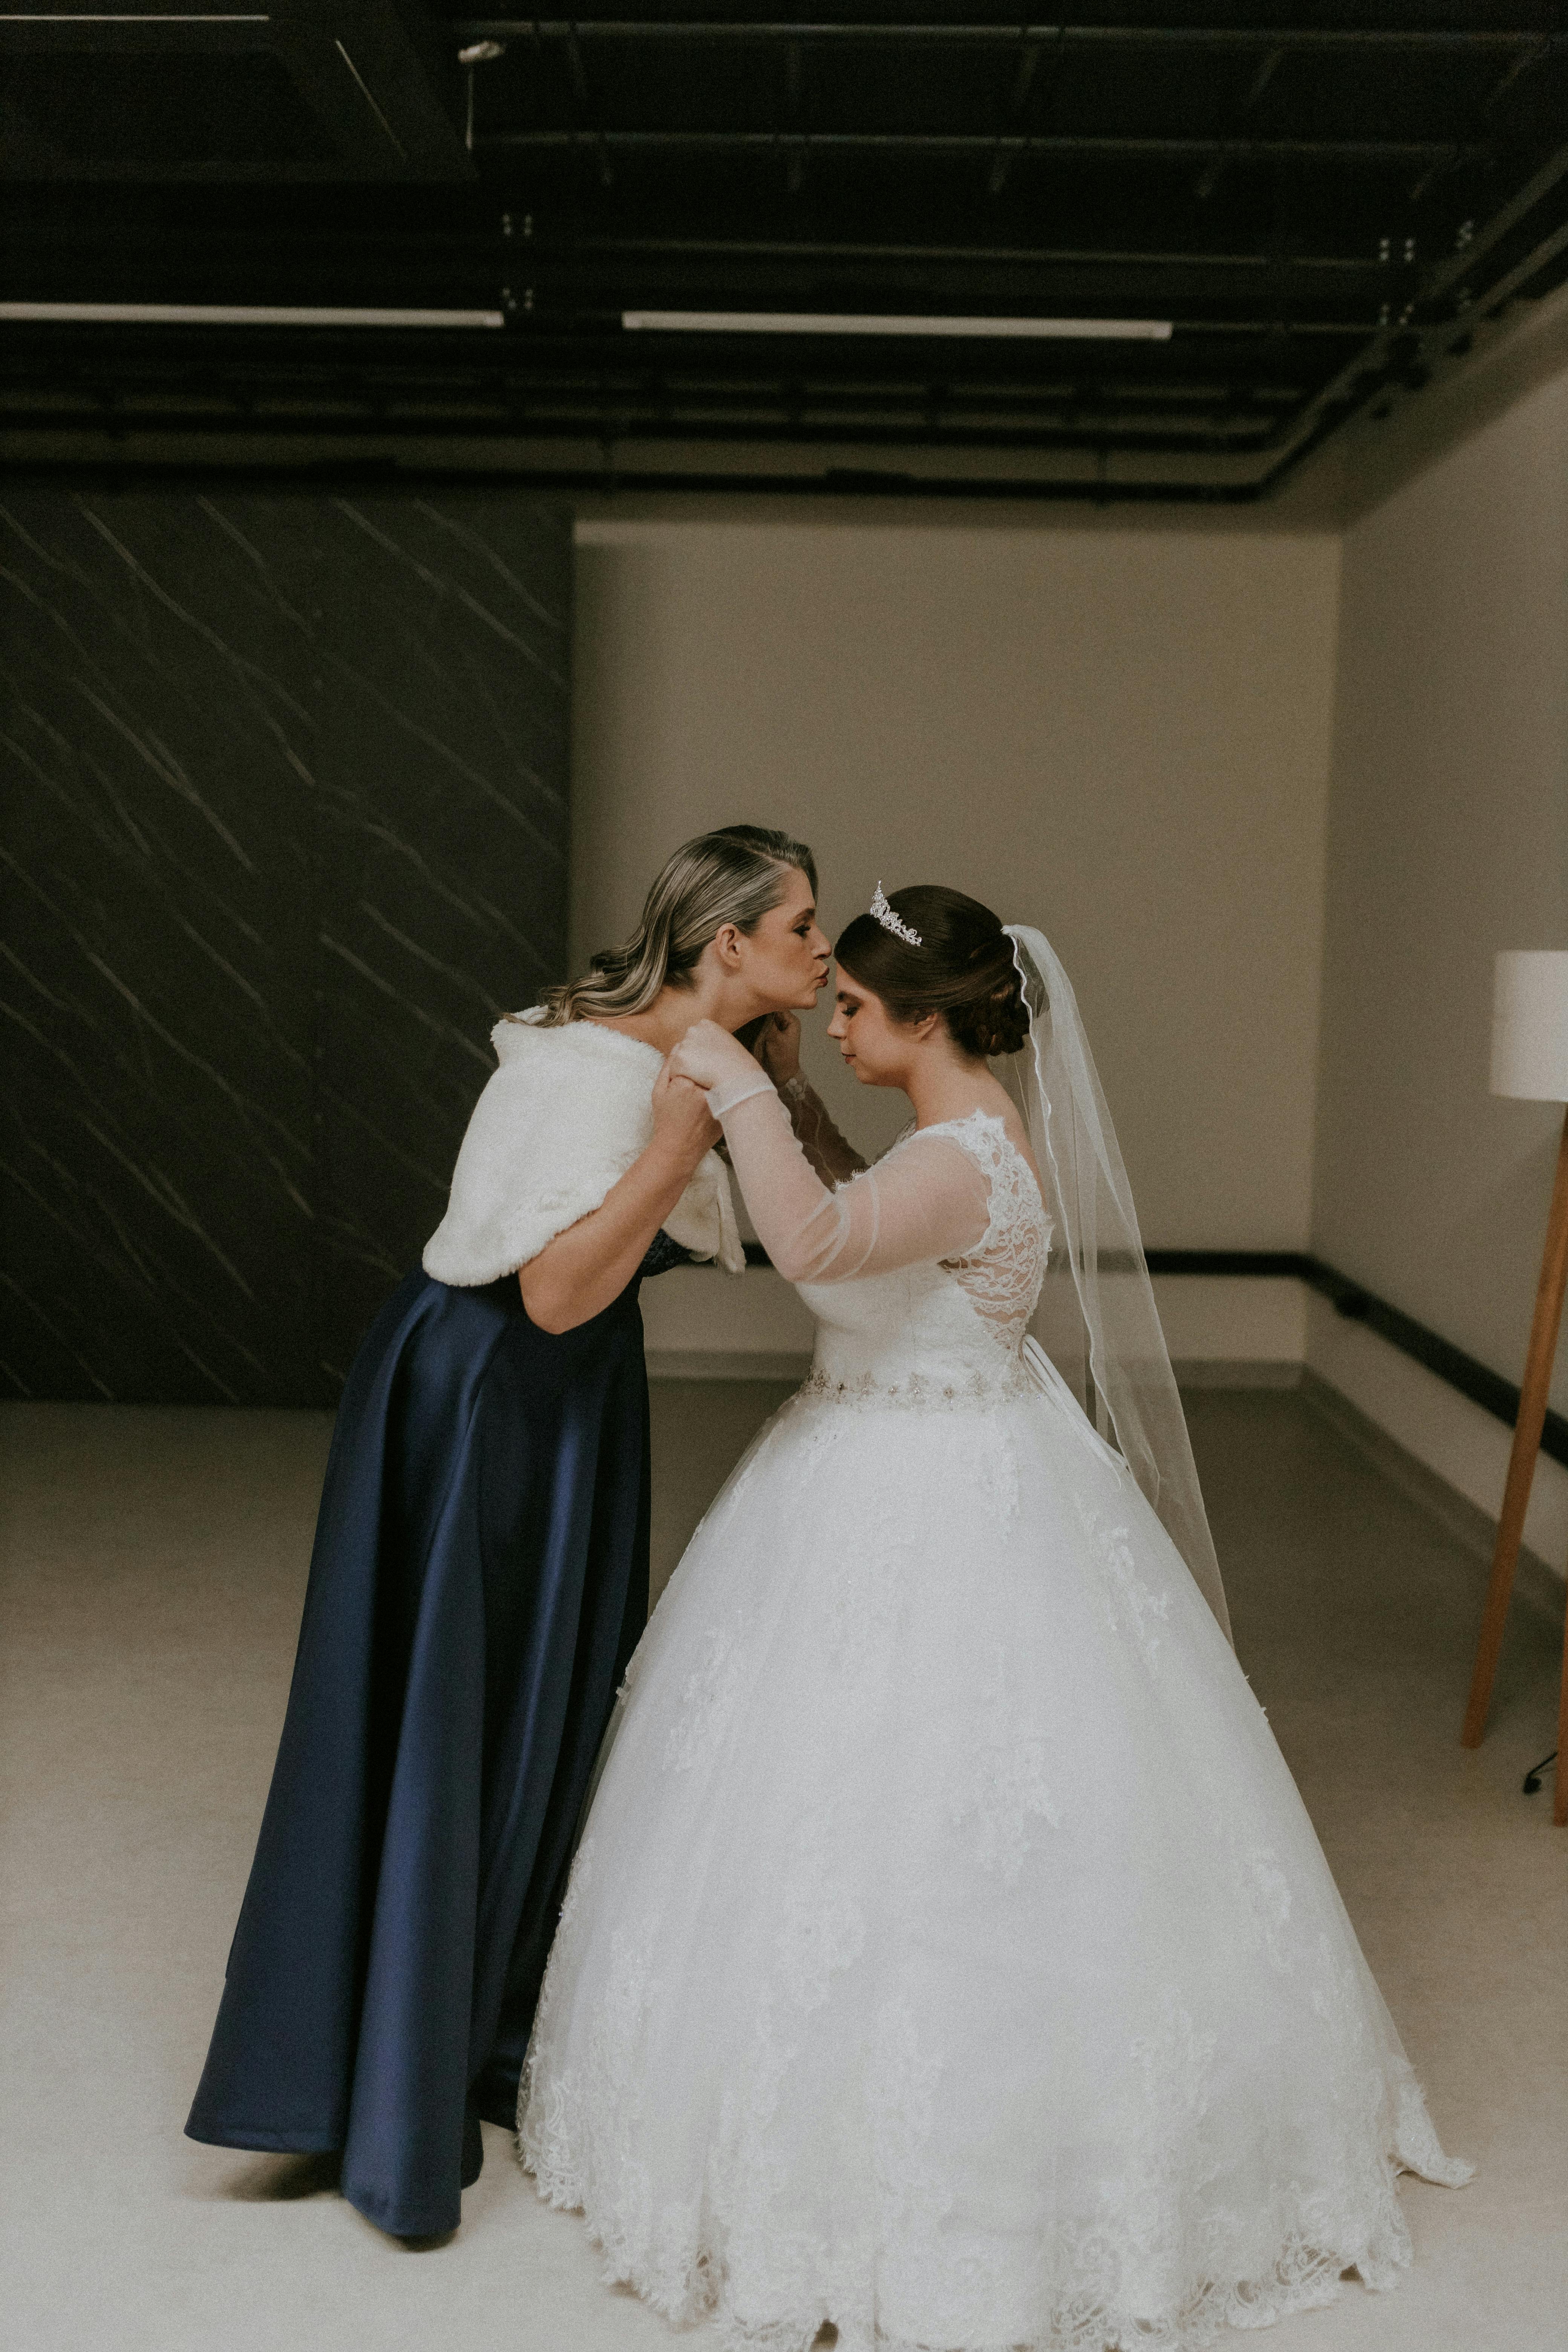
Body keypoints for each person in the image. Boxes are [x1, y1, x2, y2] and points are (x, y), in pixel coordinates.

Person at [518, 883, 1470, 2350]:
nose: (825, 1022)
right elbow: (859, 1207)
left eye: (847, 1006)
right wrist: (782, 1101)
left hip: (937, 1491)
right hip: (866, 1467)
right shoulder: (941, 1144)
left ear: (920, 1018)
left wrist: (723, 1085)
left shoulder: (965, 1158)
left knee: (956, 1830)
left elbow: (825, 1248)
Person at [186, 825, 830, 2241]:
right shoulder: (582, 1070)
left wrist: (758, 1093)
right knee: (446, 1725)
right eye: (803, 933)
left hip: (571, 1408)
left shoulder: (698, 1057)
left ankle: (470, 2033)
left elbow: (795, 1236)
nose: (822, 956)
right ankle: (374, 2092)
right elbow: (545, 1292)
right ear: (729, 947)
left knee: (537, 1709)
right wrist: (677, 1142)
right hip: (485, 1397)